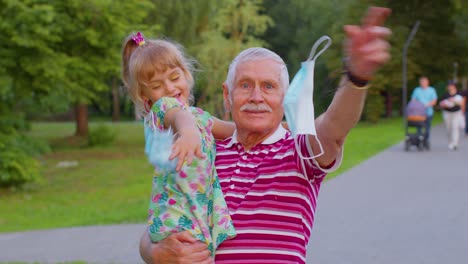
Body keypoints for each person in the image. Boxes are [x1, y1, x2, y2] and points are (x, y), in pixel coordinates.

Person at [140, 6, 391, 264]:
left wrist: (356, 78)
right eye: (245, 85)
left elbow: (334, 127)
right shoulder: (204, 149)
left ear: (284, 98)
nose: (256, 97)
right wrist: (152, 252)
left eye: (268, 86)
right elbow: (165, 211)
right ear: (228, 95)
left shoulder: (300, 152)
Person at [121, 33, 236, 255]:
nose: (169, 88)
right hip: (176, 221)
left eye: (174, 78)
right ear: (146, 96)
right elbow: (176, 116)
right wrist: (188, 130)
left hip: (198, 214)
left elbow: (236, 131)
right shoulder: (161, 111)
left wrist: (286, 127)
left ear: (186, 74)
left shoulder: (199, 116)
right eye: (157, 85)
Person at [410, 76, 438, 148]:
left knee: (427, 128)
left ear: (427, 82)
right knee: (418, 127)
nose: (423, 83)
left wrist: (427, 105)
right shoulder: (417, 90)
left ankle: (426, 140)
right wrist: (416, 106)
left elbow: (434, 101)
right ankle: (419, 141)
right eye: (422, 82)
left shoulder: (432, 90)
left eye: (424, 82)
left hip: (428, 112)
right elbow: (413, 99)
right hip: (418, 113)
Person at [439, 82, 465, 150]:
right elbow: (441, 104)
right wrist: (444, 104)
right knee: (448, 128)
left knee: (455, 127)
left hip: (456, 113)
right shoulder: (445, 95)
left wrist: (454, 101)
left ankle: (455, 143)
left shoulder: (459, 94)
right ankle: (450, 142)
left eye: (451, 86)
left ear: (454, 86)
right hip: (447, 113)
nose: (450, 87)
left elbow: (461, 103)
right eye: (449, 86)